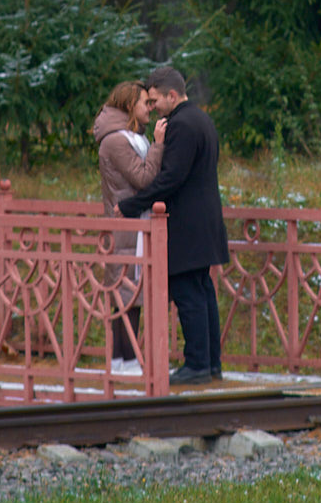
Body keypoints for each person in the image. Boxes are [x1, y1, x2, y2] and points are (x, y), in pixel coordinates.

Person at [118, 65, 227, 385]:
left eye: (154, 101)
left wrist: (131, 204)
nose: (152, 108)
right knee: (203, 292)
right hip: (205, 221)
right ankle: (210, 364)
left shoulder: (180, 124)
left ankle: (196, 365)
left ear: (172, 95)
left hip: (186, 225)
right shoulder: (203, 119)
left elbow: (171, 179)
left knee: (188, 294)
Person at [92, 80, 163, 375]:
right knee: (126, 293)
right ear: (129, 104)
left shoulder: (131, 137)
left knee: (129, 293)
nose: (150, 108)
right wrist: (159, 146)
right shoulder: (116, 141)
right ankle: (125, 361)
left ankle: (122, 361)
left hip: (134, 224)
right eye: (145, 102)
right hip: (124, 227)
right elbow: (143, 179)